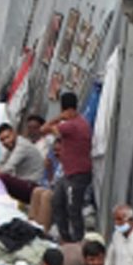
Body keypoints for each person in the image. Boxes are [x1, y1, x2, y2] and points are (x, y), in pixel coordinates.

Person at [44, 92, 93, 243]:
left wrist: (59, 117)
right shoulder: (81, 122)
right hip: (70, 173)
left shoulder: (71, 125)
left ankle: (77, 241)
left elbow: (45, 128)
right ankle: (65, 237)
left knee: (73, 209)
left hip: (77, 174)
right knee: (57, 201)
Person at [0, 123, 45, 202]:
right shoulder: (11, 147)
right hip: (24, 183)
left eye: (7, 137)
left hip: (33, 186)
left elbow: (7, 168)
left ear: (14, 133)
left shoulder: (22, 146)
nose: (6, 141)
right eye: (2, 140)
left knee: (2, 178)